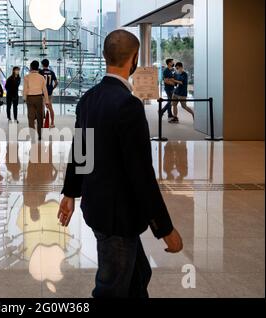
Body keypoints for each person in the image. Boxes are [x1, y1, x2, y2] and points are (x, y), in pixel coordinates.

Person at [57, 30, 183, 298]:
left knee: (138, 276)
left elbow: (80, 150)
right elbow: (141, 175)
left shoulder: (89, 98)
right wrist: (164, 229)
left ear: (104, 56)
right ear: (134, 59)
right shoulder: (128, 105)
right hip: (118, 217)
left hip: (98, 209)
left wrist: (70, 193)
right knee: (112, 289)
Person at [23, 61, 50, 141]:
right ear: (38, 67)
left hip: (30, 98)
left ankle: (32, 135)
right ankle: (40, 135)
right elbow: (45, 90)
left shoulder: (27, 77)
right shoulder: (41, 77)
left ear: (31, 67)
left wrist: (24, 98)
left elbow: (25, 89)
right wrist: (47, 101)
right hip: (39, 98)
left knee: (31, 117)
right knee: (40, 117)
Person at [39, 59, 59, 128]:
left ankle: (41, 123)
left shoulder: (40, 72)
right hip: (49, 93)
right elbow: (56, 83)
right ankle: (52, 123)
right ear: (48, 64)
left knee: (42, 108)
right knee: (50, 108)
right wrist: (52, 88)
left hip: (42, 93)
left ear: (42, 64)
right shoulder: (52, 72)